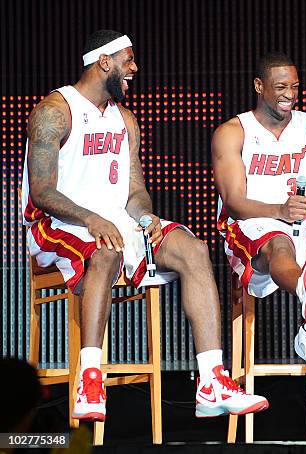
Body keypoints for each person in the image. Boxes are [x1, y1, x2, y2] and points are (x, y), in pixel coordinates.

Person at [21, 30, 268, 423]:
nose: (134, 68)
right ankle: (89, 378)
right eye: (128, 60)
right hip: (55, 223)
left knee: (193, 249)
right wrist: (91, 218)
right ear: (104, 62)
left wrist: (146, 217)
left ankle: (211, 381)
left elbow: (135, 189)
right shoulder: (55, 110)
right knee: (105, 250)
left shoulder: (126, 120)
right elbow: (42, 191)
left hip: (114, 222)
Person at [212, 52, 306, 391]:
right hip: (253, 224)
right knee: (280, 244)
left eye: (294, 86)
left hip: (303, 220)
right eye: (280, 87)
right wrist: (279, 211)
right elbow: (233, 203)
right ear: (259, 86)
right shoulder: (233, 132)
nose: (290, 94)